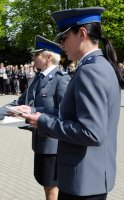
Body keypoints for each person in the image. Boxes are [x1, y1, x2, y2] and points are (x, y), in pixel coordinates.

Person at [19, 7, 123, 200]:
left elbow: (91, 132)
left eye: (64, 38)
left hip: (82, 181)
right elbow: (72, 114)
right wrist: (35, 110)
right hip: (90, 178)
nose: (61, 44)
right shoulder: (100, 65)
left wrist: (43, 122)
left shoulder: (90, 70)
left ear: (82, 34)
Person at [28, 35, 70, 200]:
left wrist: (35, 112)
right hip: (40, 142)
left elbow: (64, 113)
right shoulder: (38, 78)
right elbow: (20, 101)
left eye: (36, 55)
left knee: (52, 188)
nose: (33, 58)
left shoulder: (61, 79)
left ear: (49, 57)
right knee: (46, 186)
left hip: (53, 145)